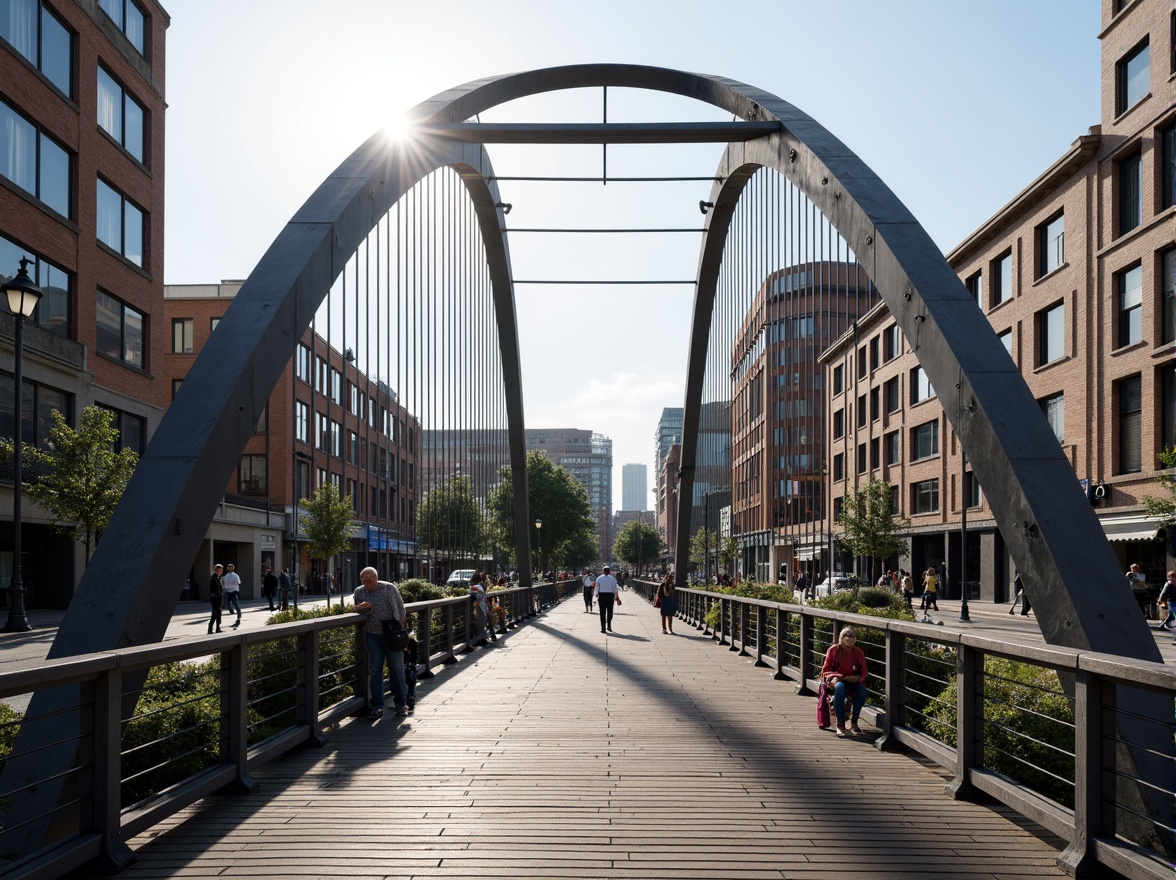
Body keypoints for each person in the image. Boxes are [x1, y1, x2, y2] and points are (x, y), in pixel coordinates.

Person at [353, 566, 409, 718]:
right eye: (363, 579)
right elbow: (359, 610)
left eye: (369, 578)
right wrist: (361, 607)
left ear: (376, 578)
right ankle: (377, 706)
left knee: (397, 669)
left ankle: (400, 704)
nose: (366, 581)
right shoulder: (359, 592)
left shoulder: (388, 588)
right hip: (373, 635)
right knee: (375, 671)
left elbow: (401, 610)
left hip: (391, 634)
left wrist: (402, 634)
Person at [820, 626, 868, 738]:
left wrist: (857, 678)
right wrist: (836, 676)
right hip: (836, 680)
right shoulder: (833, 650)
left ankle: (854, 721)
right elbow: (825, 670)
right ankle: (840, 723)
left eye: (853, 636)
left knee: (862, 691)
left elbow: (864, 672)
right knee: (840, 688)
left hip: (853, 681)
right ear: (841, 637)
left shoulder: (858, 652)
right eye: (848, 635)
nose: (850, 638)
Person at [593, 564, 621, 633]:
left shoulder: (599, 578)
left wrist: (594, 598)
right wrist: (617, 598)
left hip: (602, 596)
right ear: (609, 571)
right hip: (610, 596)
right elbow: (615, 590)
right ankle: (609, 625)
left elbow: (596, 589)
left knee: (602, 613)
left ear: (603, 571)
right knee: (610, 612)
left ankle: (603, 628)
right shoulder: (613, 579)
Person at [469, 573, 495, 644]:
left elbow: (471, 594)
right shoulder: (480, 586)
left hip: (479, 606)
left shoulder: (475, 587)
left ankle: (481, 639)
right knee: (483, 622)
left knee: (480, 623)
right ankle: (484, 637)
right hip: (483, 606)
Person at [221, 563, 242, 627]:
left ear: (233, 569)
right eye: (229, 568)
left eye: (231, 568)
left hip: (233, 591)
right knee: (225, 602)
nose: (230, 569)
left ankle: (239, 615)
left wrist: (236, 583)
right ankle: (230, 609)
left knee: (235, 603)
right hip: (227, 591)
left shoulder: (235, 575)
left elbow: (239, 582)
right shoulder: (226, 575)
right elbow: (223, 582)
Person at [207, 564, 224, 634]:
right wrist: (215, 595)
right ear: (217, 570)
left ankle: (218, 628)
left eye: (221, 570)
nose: (221, 571)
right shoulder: (214, 578)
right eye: (219, 569)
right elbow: (213, 590)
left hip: (218, 597)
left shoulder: (218, 578)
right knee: (215, 613)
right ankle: (210, 629)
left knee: (218, 613)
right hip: (215, 598)